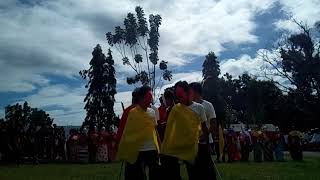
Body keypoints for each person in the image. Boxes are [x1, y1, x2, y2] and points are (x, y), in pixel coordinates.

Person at [161, 81, 209, 180]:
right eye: (177, 97)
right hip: (181, 147)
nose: (179, 100)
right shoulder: (176, 109)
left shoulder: (199, 108)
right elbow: (170, 129)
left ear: (188, 93)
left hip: (196, 146)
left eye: (181, 96)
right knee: (181, 173)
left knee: (198, 173)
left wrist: (206, 143)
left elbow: (204, 128)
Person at [117, 86, 160, 180]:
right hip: (137, 149)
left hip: (151, 149)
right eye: (147, 98)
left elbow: (155, 130)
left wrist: (159, 146)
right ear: (140, 98)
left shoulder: (152, 111)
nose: (149, 101)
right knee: (136, 174)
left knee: (155, 173)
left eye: (150, 98)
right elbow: (126, 132)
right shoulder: (131, 112)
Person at [189, 82, 217, 179]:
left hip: (205, 142)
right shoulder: (188, 107)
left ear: (196, 92)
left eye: (190, 91)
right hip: (192, 143)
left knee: (208, 169)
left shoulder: (208, 105)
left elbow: (213, 123)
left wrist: (205, 134)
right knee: (194, 170)